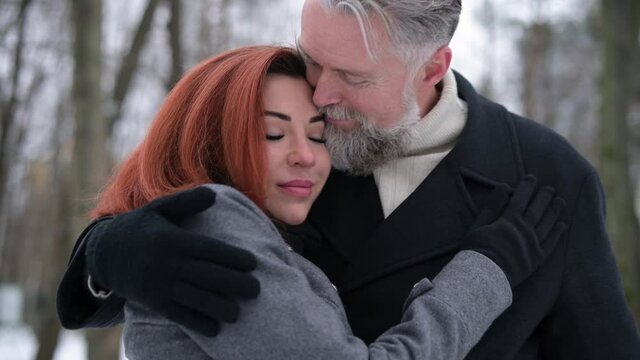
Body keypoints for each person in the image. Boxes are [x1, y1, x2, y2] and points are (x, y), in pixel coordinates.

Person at [58, 1, 640, 359]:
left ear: (432, 66)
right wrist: (106, 253)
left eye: (352, 77)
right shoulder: (288, 145)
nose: (321, 92)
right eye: (312, 58)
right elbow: (187, 196)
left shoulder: (550, 177)